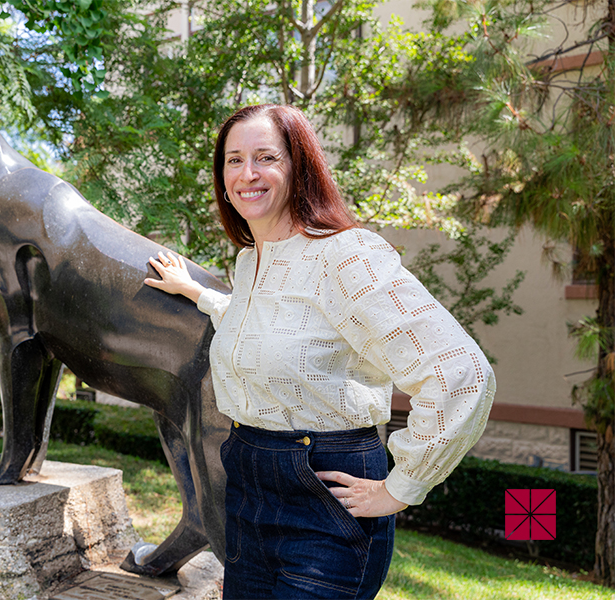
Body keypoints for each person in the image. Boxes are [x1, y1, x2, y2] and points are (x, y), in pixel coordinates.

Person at [143, 104, 495, 599]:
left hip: (325, 490)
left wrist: (401, 487)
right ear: (222, 177)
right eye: (233, 160)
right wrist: (196, 293)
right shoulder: (251, 262)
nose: (248, 173)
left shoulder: (347, 255)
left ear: (299, 166)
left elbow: (461, 373)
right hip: (246, 487)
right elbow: (263, 325)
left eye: (266, 157)